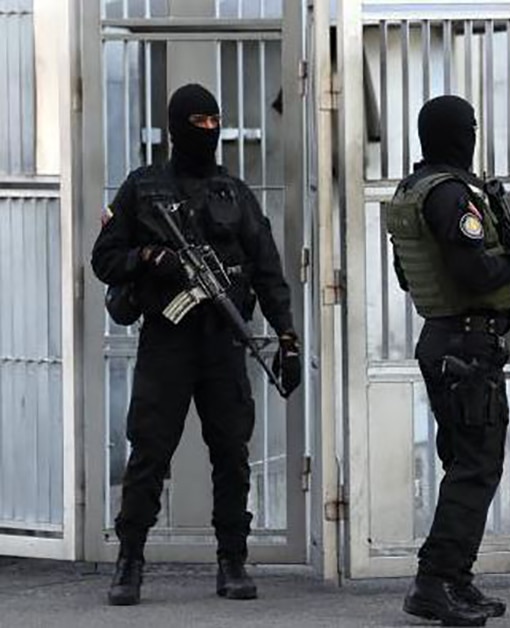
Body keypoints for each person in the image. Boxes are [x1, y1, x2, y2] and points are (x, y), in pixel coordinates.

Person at [92, 84, 302, 606]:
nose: (208, 130)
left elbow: (268, 271)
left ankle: (232, 560)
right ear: (175, 127)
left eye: (214, 121)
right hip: (167, 341)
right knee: (149, 453)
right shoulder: (143, 189)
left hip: (223, 344)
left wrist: (287, 336)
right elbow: (103, 259)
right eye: (198, 122)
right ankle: (129, 560)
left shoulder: (235, 194)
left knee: (231, 454)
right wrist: (147, 258)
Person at [387, 95, 510, 627]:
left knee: (465, 463)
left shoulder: (412, 191)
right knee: (476, 465)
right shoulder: (451, 195)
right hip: (467, 345)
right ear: (460, 134)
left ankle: (455, 577)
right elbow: (476, 273)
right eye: (469, 128)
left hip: (445, 340)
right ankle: (434, 582)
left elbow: (407, 275)